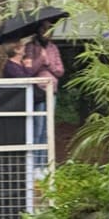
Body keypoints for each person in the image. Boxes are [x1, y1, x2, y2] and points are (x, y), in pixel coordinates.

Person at [25, 20, 64, 174]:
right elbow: (28, 70)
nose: (47, 32)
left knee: (48, 129)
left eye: (49, 30)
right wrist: (40, 60)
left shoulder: (53, 48)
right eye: (44, 29)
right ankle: (34, 165)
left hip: (52, 90)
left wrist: (48, 64)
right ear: (38, 31)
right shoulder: (30, 47)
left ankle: (44, 165)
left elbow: (60, 71)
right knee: (38, 128)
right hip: (38, 92)